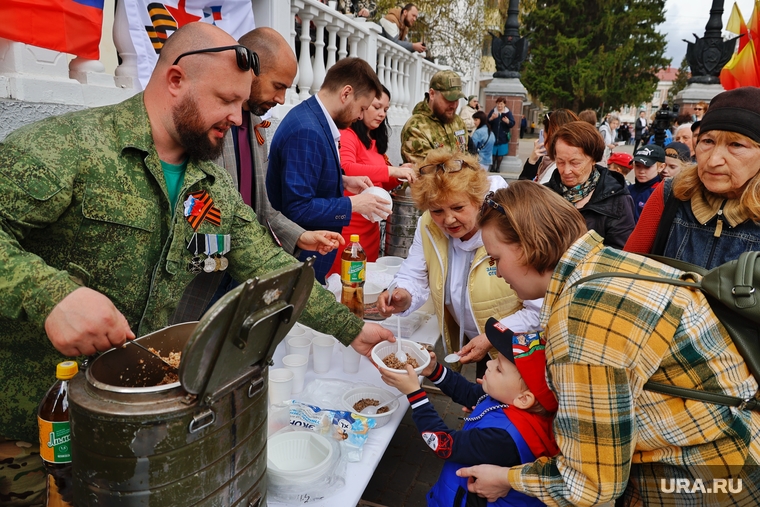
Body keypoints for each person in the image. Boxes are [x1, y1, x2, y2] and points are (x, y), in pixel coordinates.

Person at [0, 23, 395, 506]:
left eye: (241, 101)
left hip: (132, 433)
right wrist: (52, 296)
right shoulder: (70, 146)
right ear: (176, 80)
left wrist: (348, 328)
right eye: (226, 99)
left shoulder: (208, 182)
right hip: (32, 433)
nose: (237, 116)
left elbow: (267, 263)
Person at [458, 180, 760, 505]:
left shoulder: (583, 316)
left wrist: (506, 478)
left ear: (528, 245)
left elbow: (593, 484)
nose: (497, 271)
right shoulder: (605, 265)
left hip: (700, 482)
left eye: (495, 258)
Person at [173, 27, 345, 322]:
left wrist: (301, 235)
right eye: (277, 85)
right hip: (199, 282)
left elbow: (262, 210)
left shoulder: (255, 124)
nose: (280, 99)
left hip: (242, 277)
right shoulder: (201, 122)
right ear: (250, 70)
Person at [376, 150, 541, 377]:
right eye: (437, 211)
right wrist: (402, 295)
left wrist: (492, 336)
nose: (448, 219)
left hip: (517, 346)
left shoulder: (510, 225)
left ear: (478, 199)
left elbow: (539, 308)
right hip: (474, 338)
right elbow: (413, 273)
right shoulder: (429, 226)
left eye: (458, 208)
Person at [380, 318, 559, 507]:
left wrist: (415, 395)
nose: (488, 365)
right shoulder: (506, 399)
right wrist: (434, 370)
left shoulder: (503, 439)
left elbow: (445, 444)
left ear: (524, 399)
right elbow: (468, 393)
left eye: (498, 368)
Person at [267, 57, 391, 283]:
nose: (361, 116)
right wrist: (353, 204)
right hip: (297, 260)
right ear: (346, 93)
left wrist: (343, 181)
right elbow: (297, 207)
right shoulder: (308, 130)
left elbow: (308, 177)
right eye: (362, 107)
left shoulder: (315, 119)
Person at [624, 87, 760, 268]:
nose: (713, 161)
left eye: (736, 145)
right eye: (707, 141)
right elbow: (626, 269)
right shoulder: (671, 194)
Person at [327, 85, 416, 273]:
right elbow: (347, 168)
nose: (382, 114)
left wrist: (400, 173)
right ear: (363, 105)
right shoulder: (348, 135)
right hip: (350, 228)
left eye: (385, 109)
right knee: (346, 281)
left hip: (372, 228)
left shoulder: (374, 141)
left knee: (368, 283)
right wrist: (391, 171)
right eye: (376, 107)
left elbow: (383, 181)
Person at [544, 121, 635, 248]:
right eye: (560, 162)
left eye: (575, 163)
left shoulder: (618, 199)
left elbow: (620, 252)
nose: (566, 171)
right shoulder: (544, 195)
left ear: (593, 159)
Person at [400, 70, 468, 165]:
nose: (454, 105)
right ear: (432, 94)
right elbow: (425, 171)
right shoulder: (415, 127)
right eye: (448, 99)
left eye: (456, 99)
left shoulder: (458, 122)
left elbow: (466, 157)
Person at [517, 109, 579, 183]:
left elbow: (520, 191)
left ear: (551, 135)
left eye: (544, 136)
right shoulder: (545, 160)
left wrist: (532, 162)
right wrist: (532, 161)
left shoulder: (556, 170)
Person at [629, 144, 665, 222]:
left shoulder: (661, 193)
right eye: (638, 166)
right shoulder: (627, 189)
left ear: (661, 167)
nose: (641, 171)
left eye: (647, 167)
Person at [487, 97, 515, 173]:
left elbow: (512, 123)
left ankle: (498, 167)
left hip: (503, 136)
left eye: (501, 104)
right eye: (498, 103)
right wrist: (491, 118)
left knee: (500, 154)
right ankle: (492, 167)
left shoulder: (508, 113)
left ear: (504, 104)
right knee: (493, 154)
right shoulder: (493, 111)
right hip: (493, 136)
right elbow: (487, 121)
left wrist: (508, 121)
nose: (499, 105)